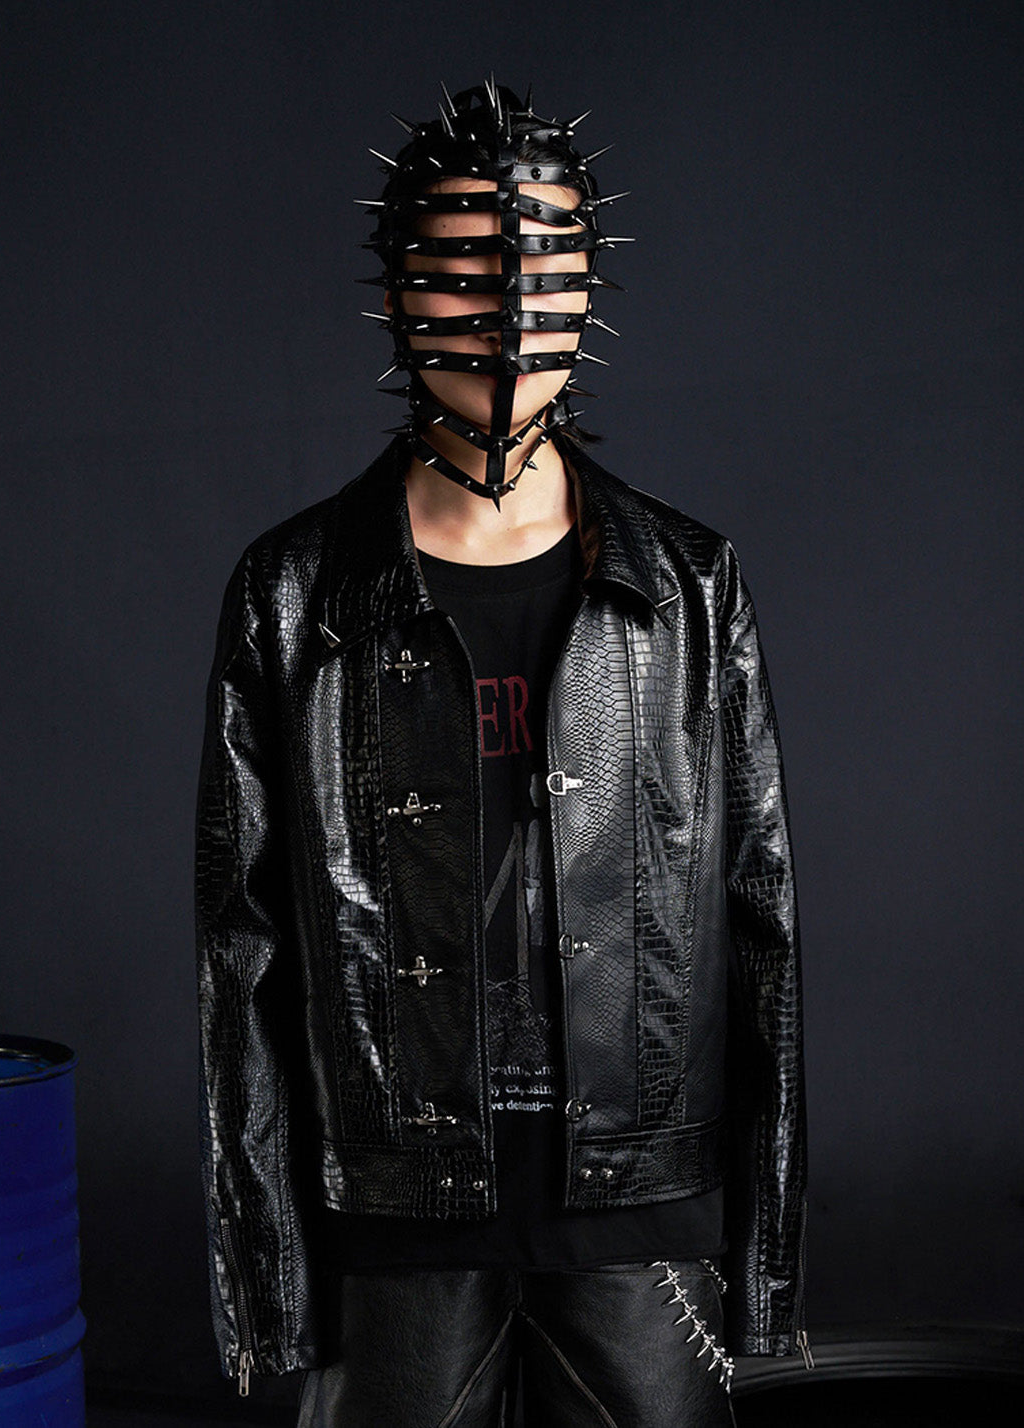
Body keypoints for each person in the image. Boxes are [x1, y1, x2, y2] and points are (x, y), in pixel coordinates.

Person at [195, 77, 814, 1427]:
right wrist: (271, 1277)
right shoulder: (294, 596)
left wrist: (766, 1258)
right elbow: (245, 957)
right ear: (398, 292)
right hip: (396, 1212)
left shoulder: (688, 585)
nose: (506, 322)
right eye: (466, 271)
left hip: (642, 1209)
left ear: (589, 290)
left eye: (540, 271)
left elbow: (759, 922)